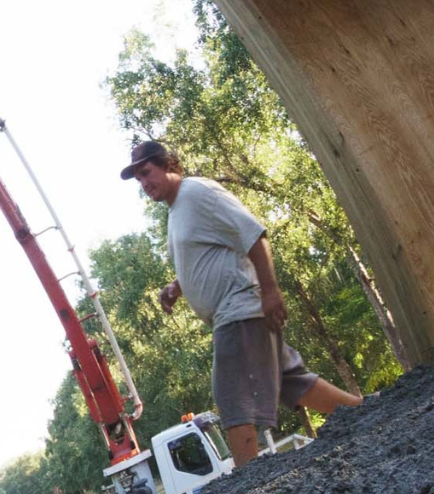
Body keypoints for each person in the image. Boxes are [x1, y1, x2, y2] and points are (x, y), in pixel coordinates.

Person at [121, 139, 361, 466]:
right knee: (291, 382)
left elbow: (252, 234)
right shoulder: (177, 211)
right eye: (138, 180)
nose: (144, 184)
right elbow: (208, 254)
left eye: (147, 173)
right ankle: (367, 411)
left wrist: (271, 290)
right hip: (238, 311)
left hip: (239, 310)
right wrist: (178, 286)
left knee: (232, 395)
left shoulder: (197, 193)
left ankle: (250, 487)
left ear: (167, 164)